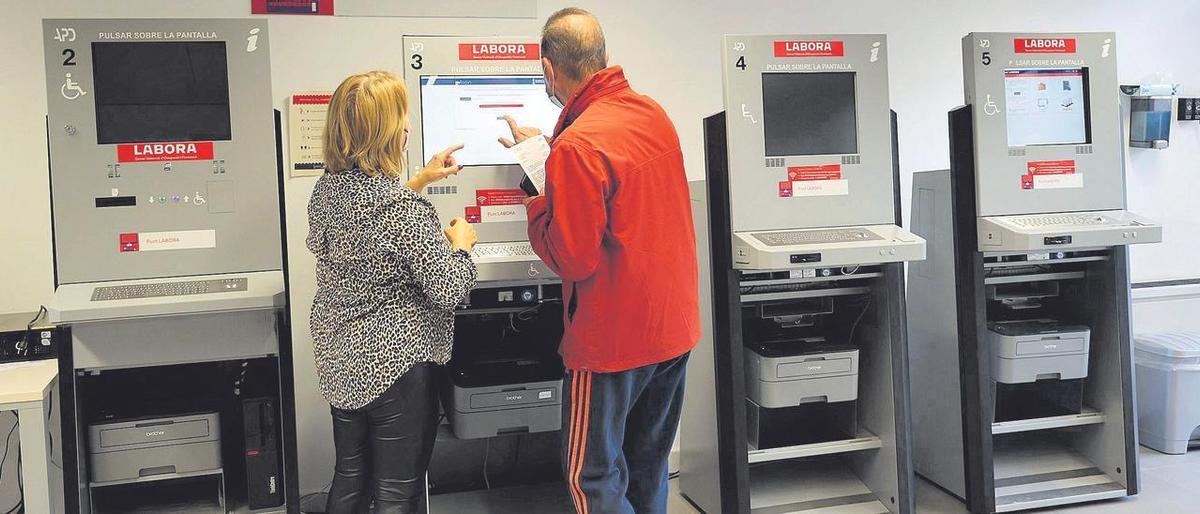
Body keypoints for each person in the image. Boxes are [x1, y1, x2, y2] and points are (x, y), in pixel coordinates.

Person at [499, 8, 701, 514]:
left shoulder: (578, 144)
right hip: (672, 332)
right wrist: (545, 156)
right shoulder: (651, 114)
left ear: (549, 70)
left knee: (591, 477)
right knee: (647, 465)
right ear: (602, 56)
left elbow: (572, 258)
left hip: (612, 342)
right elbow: (620, 207)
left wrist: (535, 200)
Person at [307, 70, 478, 514]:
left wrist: (419, 179)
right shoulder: (403, 211)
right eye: (401, 119)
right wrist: (461, 245)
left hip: (341, 356)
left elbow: (371, 225)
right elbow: (450, 289)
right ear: (387, 134)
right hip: (395, 367)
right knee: (398, 493)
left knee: (351, 477)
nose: (407, 128)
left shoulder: (326, 191)